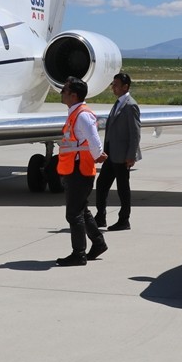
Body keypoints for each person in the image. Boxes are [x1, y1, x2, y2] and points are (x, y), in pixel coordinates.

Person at [54, 77, 107, 266]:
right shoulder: (74, 113)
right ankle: (98, 243)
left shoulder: (83, 115)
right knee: (81, 210)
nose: (62, 93)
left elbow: (94, 140)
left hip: (80, 171)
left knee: (73, 214)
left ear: (74, 95)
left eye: (65, 90)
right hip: (73, 169)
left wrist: (98, 154)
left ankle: (79, 254)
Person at [94, 72, 141, 232]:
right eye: (113, 84)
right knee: (101, 185)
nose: (113, 87)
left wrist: (131, 156)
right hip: (111, 154)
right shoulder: (119, 103)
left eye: (116, 84)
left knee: (123, 189)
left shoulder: (130, 105)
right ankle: (100, 216)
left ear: (125, 87)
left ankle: (124, 220)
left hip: (122, 157)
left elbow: (135, 133)